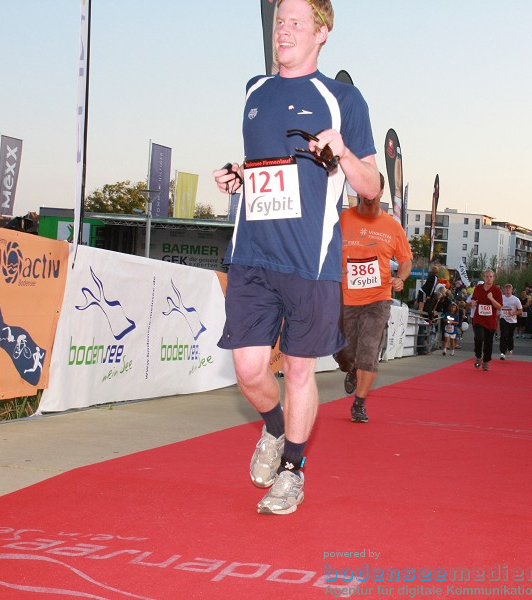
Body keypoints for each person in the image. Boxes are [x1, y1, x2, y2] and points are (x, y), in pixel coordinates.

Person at [211, 0, 380, 515]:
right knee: (248, 370)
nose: (283, 31)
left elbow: (372, 188)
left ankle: (293, 471)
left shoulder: (344, 99)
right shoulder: (254, 91)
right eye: (280, 22)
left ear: (321, 32)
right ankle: (275, 430)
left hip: (311, 261)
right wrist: (238, 176)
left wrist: (344, 153)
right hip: (252, 255)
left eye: (296, 23)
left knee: (301, 373)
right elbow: (270, 167)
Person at [337, 173, 412, 423]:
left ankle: (359, 403)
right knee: (345, 353)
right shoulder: (342, 219)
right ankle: (351, 368)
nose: (368, 194)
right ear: (357, 190)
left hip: (378, 298)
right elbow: (325, 250)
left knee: (369, 349)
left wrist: (401, 277)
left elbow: (405, 260)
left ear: (381, 192)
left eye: (373, 190)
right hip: (345, 298)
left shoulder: (392, 227)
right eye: (363, 188)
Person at [468, 269, 503, 371]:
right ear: (484, 278)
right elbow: (473, 299)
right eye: (487, 276)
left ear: (494, 278)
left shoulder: (496, 291)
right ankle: (478, 357)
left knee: (488, 342)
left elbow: (499, 307)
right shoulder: (478, 288)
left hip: (490, 321)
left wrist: (491, 299)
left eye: (490, 277)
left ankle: (486, 362)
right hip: (478, 319)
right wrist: (473, 302)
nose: (488, 278)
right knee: (479, 338)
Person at [498, 283, 522, 360]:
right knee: (503, 335)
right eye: (506, 288)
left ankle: (510, 349)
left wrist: (514, 313)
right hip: (503, 318)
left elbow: (520, 310)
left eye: (509, 288)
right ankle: (502, 353)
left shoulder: (515, 299)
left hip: (512, 320)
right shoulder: (500, 298)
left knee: (510, 336)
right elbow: (497, 307)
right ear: (503, 290)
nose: (507, 289)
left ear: (512, 290)